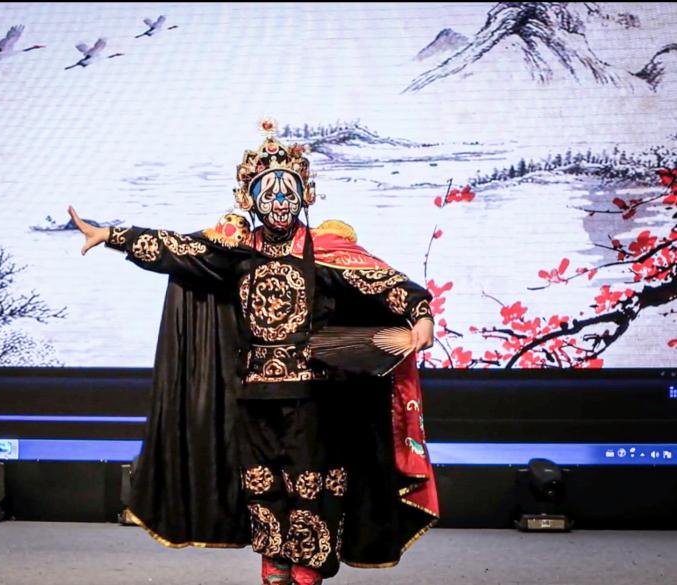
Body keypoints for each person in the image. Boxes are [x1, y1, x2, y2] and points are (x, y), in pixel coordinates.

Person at [69, 120, 439, 585]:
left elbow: (386, 284)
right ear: (251, 199)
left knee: (310, 483)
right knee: (263, 482)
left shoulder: (327, 252)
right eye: (270, 192)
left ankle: (307, 569)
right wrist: (110, 235)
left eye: (289, 192)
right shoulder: (238, 251)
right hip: (254, 392)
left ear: (305, 196)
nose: (279, 202)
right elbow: (177, 248)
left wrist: (421, 315)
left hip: (316, 396)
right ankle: (274, 564)